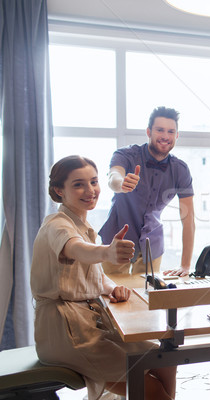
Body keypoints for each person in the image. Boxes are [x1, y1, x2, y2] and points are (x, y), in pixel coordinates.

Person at [31, 155, 176, 399]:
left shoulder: (82, 226)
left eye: (94, 182)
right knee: (151, 391)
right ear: (59, 190)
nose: (90, 190)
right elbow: (76, 249)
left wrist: (111, 287)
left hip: (89, 323)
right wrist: (107, 252)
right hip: (64, 332)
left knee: (167, 359)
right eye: (78, 184)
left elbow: (91, 273)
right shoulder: (57, 225)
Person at [99, 106, 195, 276]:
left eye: (171, 131)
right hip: (117, 241)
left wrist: (185, 265)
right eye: (160, 130)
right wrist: (122, 183)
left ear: (177, 135)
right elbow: (113, 177)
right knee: (112, 295)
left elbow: (188, 220)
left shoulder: (180, 169)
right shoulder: (126, 154)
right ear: (149, 131)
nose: (165, 136)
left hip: (152, 245)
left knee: (147, 299)